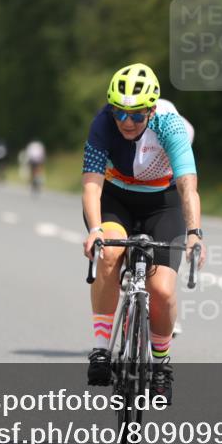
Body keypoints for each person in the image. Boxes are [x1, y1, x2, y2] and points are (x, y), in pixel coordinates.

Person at [81, 63, 205, 404]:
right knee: (109, 253)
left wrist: (194, 232)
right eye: (120, 113)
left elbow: (187, 186)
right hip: (116, 200)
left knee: (161, 290)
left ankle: (161, 364)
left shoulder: (170, 125)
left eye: (136, 115)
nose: (127, 122)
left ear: (151, 109)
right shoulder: (102, 123)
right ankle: (102, 349)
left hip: (162, 203)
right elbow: (91, 185)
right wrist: (95, 230)